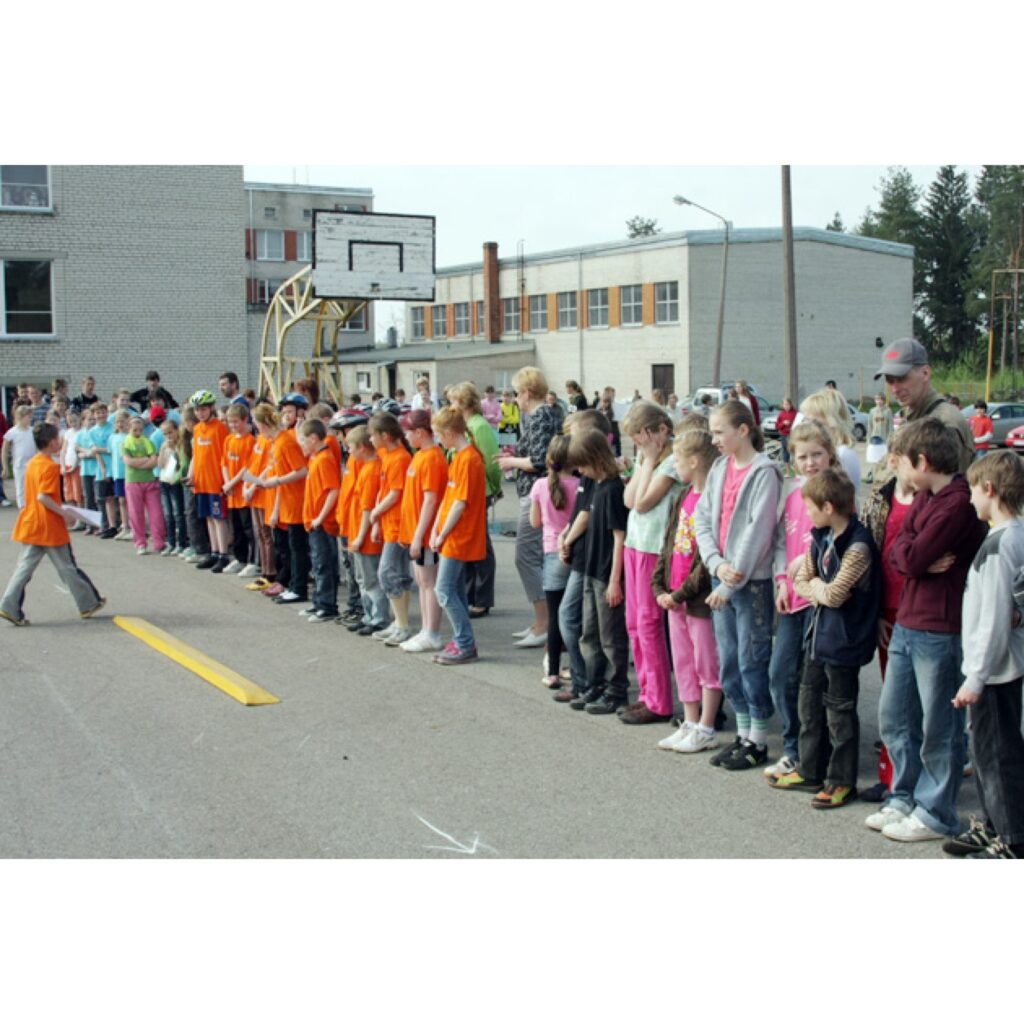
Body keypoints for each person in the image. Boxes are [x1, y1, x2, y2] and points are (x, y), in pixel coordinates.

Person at [869, 417, 988, 843]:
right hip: (909, 621)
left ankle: (936, 812)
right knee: (896, 717)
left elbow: (913, 555)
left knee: (940, 727)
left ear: (922, 461)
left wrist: (913, 554)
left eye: (902, 461)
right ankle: (903, 796)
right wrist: (913, 553)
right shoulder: (925, 496)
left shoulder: (957, 502)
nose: (897, 468)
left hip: (940, 627)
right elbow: (902, 551)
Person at [769, 469, 880, 809]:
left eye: (811, 507)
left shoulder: (858, 546)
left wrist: (818, 588)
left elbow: (833, 595)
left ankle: (841, 781)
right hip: (818, 637)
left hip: (844, 643)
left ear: (829, 507)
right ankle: (810, 769)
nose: (807, 514)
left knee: (839, 713)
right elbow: (803, 581)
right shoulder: (822, 535)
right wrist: (820, 588)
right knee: (809, 704)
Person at [694, 400, 782, 770]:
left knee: (751, 658)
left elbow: (758, 531)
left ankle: (758, 739)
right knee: (729, 659)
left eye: (719, 432)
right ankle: (743, 733)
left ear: (743, 430)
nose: (714, 439)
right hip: (722, 577)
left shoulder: (765, 473)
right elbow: (702, 518)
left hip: (750, 584)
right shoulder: (719, 468)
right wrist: (715, 563)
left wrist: (731, 580)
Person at [946, 451, 1024, 858]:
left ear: (989, 489)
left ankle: (1011, 838)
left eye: (973, 490)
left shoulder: (998, 546)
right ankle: (994, 825)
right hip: (1000, 665)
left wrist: (975, 677)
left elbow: (994, 616)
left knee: (996, 755)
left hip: (995, 670)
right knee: (989, 750)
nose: (970, 498)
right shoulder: (1016, 536)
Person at [765, 419, 840, 779]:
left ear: (830, 455)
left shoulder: (837, 494)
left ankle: (816, 752)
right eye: (803, 456)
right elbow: (782, 542)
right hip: (792, 600)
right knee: (780, 674)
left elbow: (841, 545)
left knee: (814, 682)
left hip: (819, 602)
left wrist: (807, 564)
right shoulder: (793, 494)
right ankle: (793, 745)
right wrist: (782, 580)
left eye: (817, 455)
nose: (810, 463)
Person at [652, 426, 723, 753]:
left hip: (696, 600)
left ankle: (707, 726)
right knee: (683, 662)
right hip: (674, 596)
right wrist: (659, 584)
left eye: (677, 460)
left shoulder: (712, 500)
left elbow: (707, 560)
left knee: (706, 663)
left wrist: (679, 594)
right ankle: (690, 721)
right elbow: (669, 543)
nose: (674, 466)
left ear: (694, 461)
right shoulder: (682, 496)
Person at [0, 423, 106, 626]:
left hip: (32, 522)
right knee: (67, 567)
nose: (60, 441)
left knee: (24, 568)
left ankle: (9, 606)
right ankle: (88, 603)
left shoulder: (34, 462)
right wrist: (63, 513)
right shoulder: (49, 466)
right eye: (58, 438)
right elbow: (43, 496)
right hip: (48, 524)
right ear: (51, 443)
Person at [618, 400, 684, 725]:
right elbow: (628, 499)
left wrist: (649, 460)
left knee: (648, 623)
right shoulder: (649, 460)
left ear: (660, 430)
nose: (638, 442)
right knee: (634, 622)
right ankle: (646, 692)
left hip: (654, 550)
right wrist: (645, 460)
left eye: (641, 435)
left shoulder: (672, 462)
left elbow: (643, 503)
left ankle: (659, 700)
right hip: (635, 545)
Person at [861, 443, 917, 802]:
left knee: (916, 700)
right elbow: (870, 554)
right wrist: (878, 612)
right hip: (889, 607)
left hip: (919, 609)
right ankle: (890, 772)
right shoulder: (881, 498)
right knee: (893, 697)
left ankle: (910, 778)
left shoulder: (931, 499)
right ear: (893, 460)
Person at [496, 367, 564, 648]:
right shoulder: (544, 415)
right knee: (535, 557)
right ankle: (542, 621)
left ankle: (544, 622)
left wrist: (510, 462)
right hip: (538, 493)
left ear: (526, 392)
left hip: (537, 495)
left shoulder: (539, 417)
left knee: (526, 557)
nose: (515, 399)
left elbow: (539, 461)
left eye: (516, 393)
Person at [565, 429, 630, 714]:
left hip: (605, 573)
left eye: (582, 464)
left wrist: (615, 580)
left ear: (594, 459)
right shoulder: (597, 485)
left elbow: (619, 537)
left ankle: (616, 689)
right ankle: (595, 682)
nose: (579, 471)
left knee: (610, 636)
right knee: (589, 633)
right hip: (590, 569)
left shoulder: (613, 489)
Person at [553, 408, 613, 706]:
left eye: (575, 434)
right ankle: (583, 680)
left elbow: (588, 514)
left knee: (577, 619)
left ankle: (590, 680)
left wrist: (568, 538)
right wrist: (565, 534)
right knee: (576, 620)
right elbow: (579, 510)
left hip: (593, 558)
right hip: (580, 554)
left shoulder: (599, 474)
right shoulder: (585, 472)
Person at [429, 406, 487, 666]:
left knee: (443, 590)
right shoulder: (459, 456)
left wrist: (441, 534)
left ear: (450, 433)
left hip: (459, 535)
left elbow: (460, 503)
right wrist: (436, 528)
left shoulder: (469, 459)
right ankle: (462, 640)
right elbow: (449, 498)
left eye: (439, 434)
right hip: (452, 533)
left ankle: (465, 643)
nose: (438, 439)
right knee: (454, 590)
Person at [874, 337, 974, 473]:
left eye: (902, 378)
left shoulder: (945, 423)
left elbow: (945, 483)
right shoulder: (914, 412)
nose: (894, 389)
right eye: (890, 380)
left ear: (925, 373)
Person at [446, 382, 501, 620]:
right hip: (463, 489)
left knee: (481, 545)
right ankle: (470, 594)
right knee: (469, 543)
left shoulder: (479, 426)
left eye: (453, 401)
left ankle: (481, 598)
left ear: (464, 403)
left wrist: (496, 487)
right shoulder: (465, 425)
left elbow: (491, 461)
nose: (450, 406)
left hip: (479, 491)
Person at [396, 409, 449, 653]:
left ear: (419, 432)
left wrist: (418, 536)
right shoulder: (421, 455)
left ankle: (432, 632)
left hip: (426, 535)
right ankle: (427, 630)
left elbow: (430, 500)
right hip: (417, 532)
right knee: (423, 581)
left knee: (429, 583)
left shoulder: (432, 458)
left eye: (407, 432)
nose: (405, 437)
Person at [530, 434, 579, 687]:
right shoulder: (581, 485)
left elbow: (534, 522)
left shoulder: (540, 485)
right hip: (577, 549)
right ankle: (577, 665)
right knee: (575, 613)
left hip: (551, 550)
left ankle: (552, 670)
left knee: (555, 614)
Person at [258, 397, 311, 605]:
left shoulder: (286, 442)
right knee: (291, 546)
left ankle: (299, 588)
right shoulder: (277, 442)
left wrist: (277, 480)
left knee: (297, 548)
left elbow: (301, 470)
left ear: (264, 424)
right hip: (286, 501)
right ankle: (292, 585)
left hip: (295, 501)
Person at [367, 411, 414, 644]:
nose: (370, 439)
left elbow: (395, 493)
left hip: (398, 524)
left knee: (387, 572)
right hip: (390, 523)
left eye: (373, 435)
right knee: (400, 573)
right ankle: (399, 622)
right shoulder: (388, 454)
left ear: (385, 436)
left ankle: (402, 625)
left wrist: (375, 512)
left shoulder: (400, 458)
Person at [346, 425, 390, 635]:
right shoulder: (367, 467)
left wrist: (361, 535)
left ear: (362, 448)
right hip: (359, 531)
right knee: (363, 578)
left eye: (351, 447)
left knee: (371, 579)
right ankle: (369, 615)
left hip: (365, 536)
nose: (349, 451)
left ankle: (379, 617)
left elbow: (367, 508)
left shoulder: (371, 470)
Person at [297, 418, 341, 624]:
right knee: (317, 563)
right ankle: (318, 601)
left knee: (324, 563)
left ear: (314, 438)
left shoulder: (324, 459)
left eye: (303, 441)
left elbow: (333, 490)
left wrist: (321, 517)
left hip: (322, 522)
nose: (302, 445)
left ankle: (327, 605)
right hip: (313, 520)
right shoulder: (315, 458)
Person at [330, 408, 370, 624]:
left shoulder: (362, 460)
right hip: (346, 521)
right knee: (349, 566)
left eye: (341, 433)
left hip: (356, 522)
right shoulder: (352, 459)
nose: (339, 438)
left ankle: (361, 608)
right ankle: (354, 605)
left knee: (358, 570)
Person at [183, 390, 231, 571]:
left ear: (211, 408)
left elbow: (225, 457)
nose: (200, 413)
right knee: (209, 518)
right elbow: (196, 455)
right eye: (197, 410)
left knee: (219, 519)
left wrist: (224, 481)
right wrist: (191, 474)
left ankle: (223, 554)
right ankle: (214, 552)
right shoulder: (197, 429)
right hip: (201, 482)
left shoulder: (220, 428)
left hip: (215, 481)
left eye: (203, 409)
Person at [799, 388, 860, 491]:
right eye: (806, 420)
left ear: (834, 422)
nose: (808, 426)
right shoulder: (820, 449)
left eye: (814, 421)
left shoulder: (843, 454)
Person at [121, 414, 165, 555]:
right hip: (133, 481)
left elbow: (154, 461)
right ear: (129, 429)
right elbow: (128, 461)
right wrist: (145, 461)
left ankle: (159, 542)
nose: (138, 432)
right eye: (135, 430)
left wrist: (139, 463)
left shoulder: (148, 442)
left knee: (156, 513)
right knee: (136, 513)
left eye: (140, 430)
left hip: (150, 481)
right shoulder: (125, 443)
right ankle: (140, 543)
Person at [220, 403, 257, 574]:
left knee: (248, 528)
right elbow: (224, 463)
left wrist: (232, 483)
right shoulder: (228, 439)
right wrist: (227, 482)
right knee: (236, 528)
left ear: (245, 420)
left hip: (243, 492)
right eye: (230, 422)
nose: (233, 425)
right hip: (232, 493)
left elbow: (246, 468)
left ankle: (252, 560)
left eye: (236, 421)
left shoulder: (250, 441)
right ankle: (240, 558)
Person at [156, 417, 188, 556]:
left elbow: (181, 463)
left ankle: (182, 543)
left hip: (175, 481)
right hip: (164, 480)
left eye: (170, 432)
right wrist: (163, 449)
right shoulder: (164, 445)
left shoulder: (180, 445)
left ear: (176, 431)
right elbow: (160, 464)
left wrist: (174, 449)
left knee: (178, 513)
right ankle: (171, 542)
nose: (168, 436)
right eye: (165, 433)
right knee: (168, 514)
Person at [3, 405, 36, 509]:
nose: (30, 419)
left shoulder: (33, 431)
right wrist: (5, 467)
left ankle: (32, 508)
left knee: (33, 487)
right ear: (20, 417)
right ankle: (22, 508)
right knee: (21, 488)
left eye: (31, 417)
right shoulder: (12, 432)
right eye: (28, 417)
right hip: (19, 465)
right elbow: (4, 450)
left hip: (33, 464)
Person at [108, 410, 131, 540]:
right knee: (121, 500)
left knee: (130, 501)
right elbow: (111, 454)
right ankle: (125, 526)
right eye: (118, 422)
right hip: (118, 474)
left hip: (129, 473)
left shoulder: (129, 437)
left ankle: (134, 527)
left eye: (123, 421)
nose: (120, 424)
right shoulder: (112, 437)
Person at [865, 393, 894, 483]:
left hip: (884, 439)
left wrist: (889, 439)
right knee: (873, 459)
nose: (879, 401)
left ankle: (882, 477)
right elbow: (870, 426)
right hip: (874, 438)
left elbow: (890, 427)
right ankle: (872, 476)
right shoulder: (872, 411)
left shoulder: (888, 411)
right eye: (877, 399)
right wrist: (868, 439)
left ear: (884, 400)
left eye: (881, 399)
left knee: (883, 459)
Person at [59, 410, 84, 510]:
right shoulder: (68, 433)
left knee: (78, 493)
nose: (73, 423)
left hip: (78, 466)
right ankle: (72, 514)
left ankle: (81, 515)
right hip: (67, 465)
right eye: (70, 421)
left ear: (79, 418)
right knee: (69, 493)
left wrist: (74, 465)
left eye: (74, 420)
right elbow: (63, 450)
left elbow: (79, 451)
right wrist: (62, 466)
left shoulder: (83, 432)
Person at [775, 397, 797, 469]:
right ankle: (788, 470)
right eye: (784, 404)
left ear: (790, 404)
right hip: (784, 435)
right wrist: (783, 423)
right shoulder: (781, 414)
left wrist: (792, 425)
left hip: (793, 435)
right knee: (785, 451)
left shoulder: (795, 413)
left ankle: (796, 468)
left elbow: (799, 423)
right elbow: (777, 426)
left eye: (787, 404)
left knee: (794, 450)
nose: (786, 406)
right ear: (782, 405)